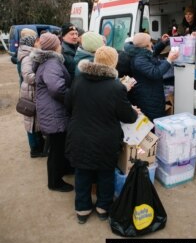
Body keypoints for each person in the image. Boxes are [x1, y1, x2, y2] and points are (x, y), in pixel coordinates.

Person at [65, 46, 139, 224]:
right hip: (105, 139)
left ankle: (82, 209)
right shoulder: (115, 86)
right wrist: (133, 111)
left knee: (82, 173)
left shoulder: (79, 80)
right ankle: (103, 208)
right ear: (113, 62)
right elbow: (127, 117)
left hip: (79, 136)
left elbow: (68, 105)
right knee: (105, 174)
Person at [31, 33, 73, 192]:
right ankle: (54, 182)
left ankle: (63, 170)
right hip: (54, 111)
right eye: (59, 43)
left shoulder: (47, 60)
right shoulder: (52, 62)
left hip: (52, 109)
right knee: (56, 149)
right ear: (54, 46)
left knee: (60, 145)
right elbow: (56, 88)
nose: (61, 45)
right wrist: (71, 98)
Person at [124, 32, 179, 122]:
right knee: (154, 120)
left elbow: (152, 52)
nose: (152, 43)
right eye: (150, 41)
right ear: (146, 45)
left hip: (152, 93)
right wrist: (169, 60)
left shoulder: (141, 51)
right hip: (148, 97)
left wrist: (163, 42)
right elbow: (155, 73)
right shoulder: (139, 60)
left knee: (158, 117)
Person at [17, 34, 46, 158]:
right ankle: (34, 150)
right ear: (31, 43)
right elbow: (28, 76)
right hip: (30, 93)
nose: (39, 42)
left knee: (34, 122)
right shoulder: (28, 57)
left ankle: (38, 146)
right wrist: (43, 77)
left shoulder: (30, 54)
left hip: (31, 91)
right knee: (31, 122)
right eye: (36, 41)